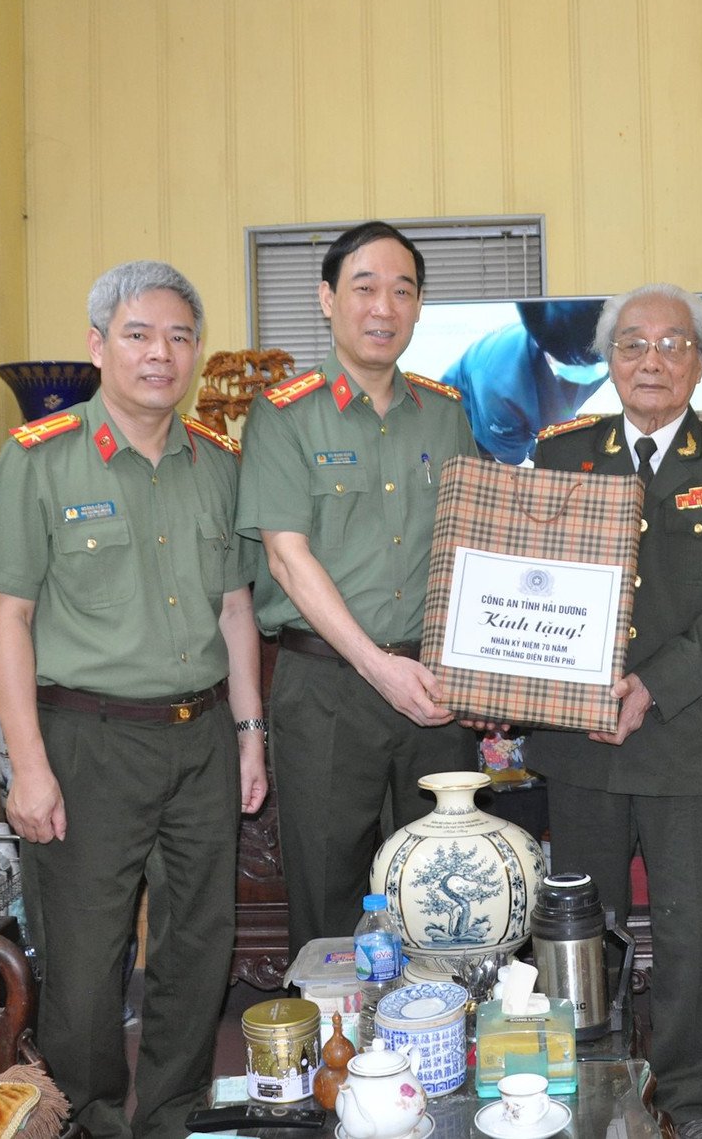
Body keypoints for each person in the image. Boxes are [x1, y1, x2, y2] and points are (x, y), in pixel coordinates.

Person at [0, 260, 268, 1139]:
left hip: (202, 733)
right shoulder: (39, 460)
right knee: (88, 961)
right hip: (85, 741)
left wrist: (249, 734)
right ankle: (90, 1119)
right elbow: (6, 620)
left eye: (178, 336)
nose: (160, 354)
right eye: (138, 334)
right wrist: (27, 767)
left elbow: (235, 607)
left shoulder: (215, 462)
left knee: (198, 944)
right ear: (98, 346)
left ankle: (171, 1112)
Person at [525, 284, 702, 1139]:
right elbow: (528, 585)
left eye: (673, 345)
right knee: (580, 930)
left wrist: (649, 685)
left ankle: (692, 1096)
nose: (652, 360)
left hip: (689, 734)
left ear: (699, 362)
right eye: (632, 344)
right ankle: (593, 1086)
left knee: (696, 925)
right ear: (608, 360)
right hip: (581, 741)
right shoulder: (559, 455)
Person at [235, 221, 479, 950]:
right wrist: (379, 667)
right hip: (328, 685)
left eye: (401, 290)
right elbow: (285, 557)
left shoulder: (446, 411)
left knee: (444, 878)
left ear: (418, 305)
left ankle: (439, 1053)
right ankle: (342, 1060)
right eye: (364, 287)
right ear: (326, 299)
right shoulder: (284, 415)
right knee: (331, 886)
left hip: (435, 684)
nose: (383, 307)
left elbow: (472, 550)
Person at [443, 298, 610, 463]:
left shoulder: (606, 342)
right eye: (582, 364)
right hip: (472, 427)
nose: (598, 369)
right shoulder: (501, 387)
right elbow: (511, 464)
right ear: (549, 356)